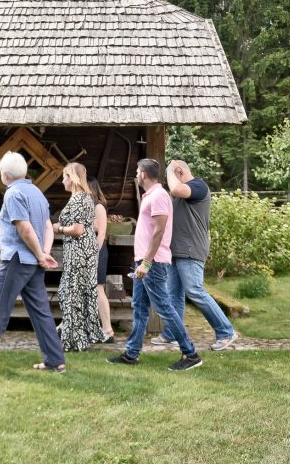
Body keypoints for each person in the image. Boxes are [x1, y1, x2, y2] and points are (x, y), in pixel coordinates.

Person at [0, 151, 67, 374]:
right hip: (34, 262)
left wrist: (40, 255)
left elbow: (25, 230)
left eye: (1, 172)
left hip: (16, 260)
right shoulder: (37, 193)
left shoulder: (13, 193)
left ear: (5, 175)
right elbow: (48, 227)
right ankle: (55, 361)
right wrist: (44, 252)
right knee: (41, 312)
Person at [107, 158, 203, 371]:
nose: (136, 174)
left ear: (142, 173)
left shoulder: (159, 196)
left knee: (164, 308)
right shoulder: (152, 195)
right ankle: (132, 354)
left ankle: (191, 353)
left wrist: (147, 263)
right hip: (143, 261)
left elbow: (159, 231)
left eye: (136, 171)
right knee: (139, 307)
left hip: (153, 263)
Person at [152, 159, 238, 351]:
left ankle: (226, 331)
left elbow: (175, 190)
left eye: (173, 174)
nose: (170, 179)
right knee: (174, 294)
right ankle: (172, 333)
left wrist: (169, 170)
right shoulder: (181, 193)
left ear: (180, 172)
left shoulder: (198, 186)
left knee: (195, 290)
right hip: (176, 251)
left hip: (191, 249)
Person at [52, 163, 104, 351]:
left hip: (79, 253)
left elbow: (78, 229)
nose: (62, 180)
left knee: (72, 294)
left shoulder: (80, 199)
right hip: (80, 252)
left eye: (64, 176)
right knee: (73, 293)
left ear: (72, 177)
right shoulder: (82, 198)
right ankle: (77, 338)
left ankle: (74, 341)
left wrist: (58, 228)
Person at [88, 176, 115, 343]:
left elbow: (102, 233)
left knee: (98, 290)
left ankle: (108, 330)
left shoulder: (99, 206)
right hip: (89, 251)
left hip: (97, 251)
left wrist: (94, 253)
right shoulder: (87, 206)